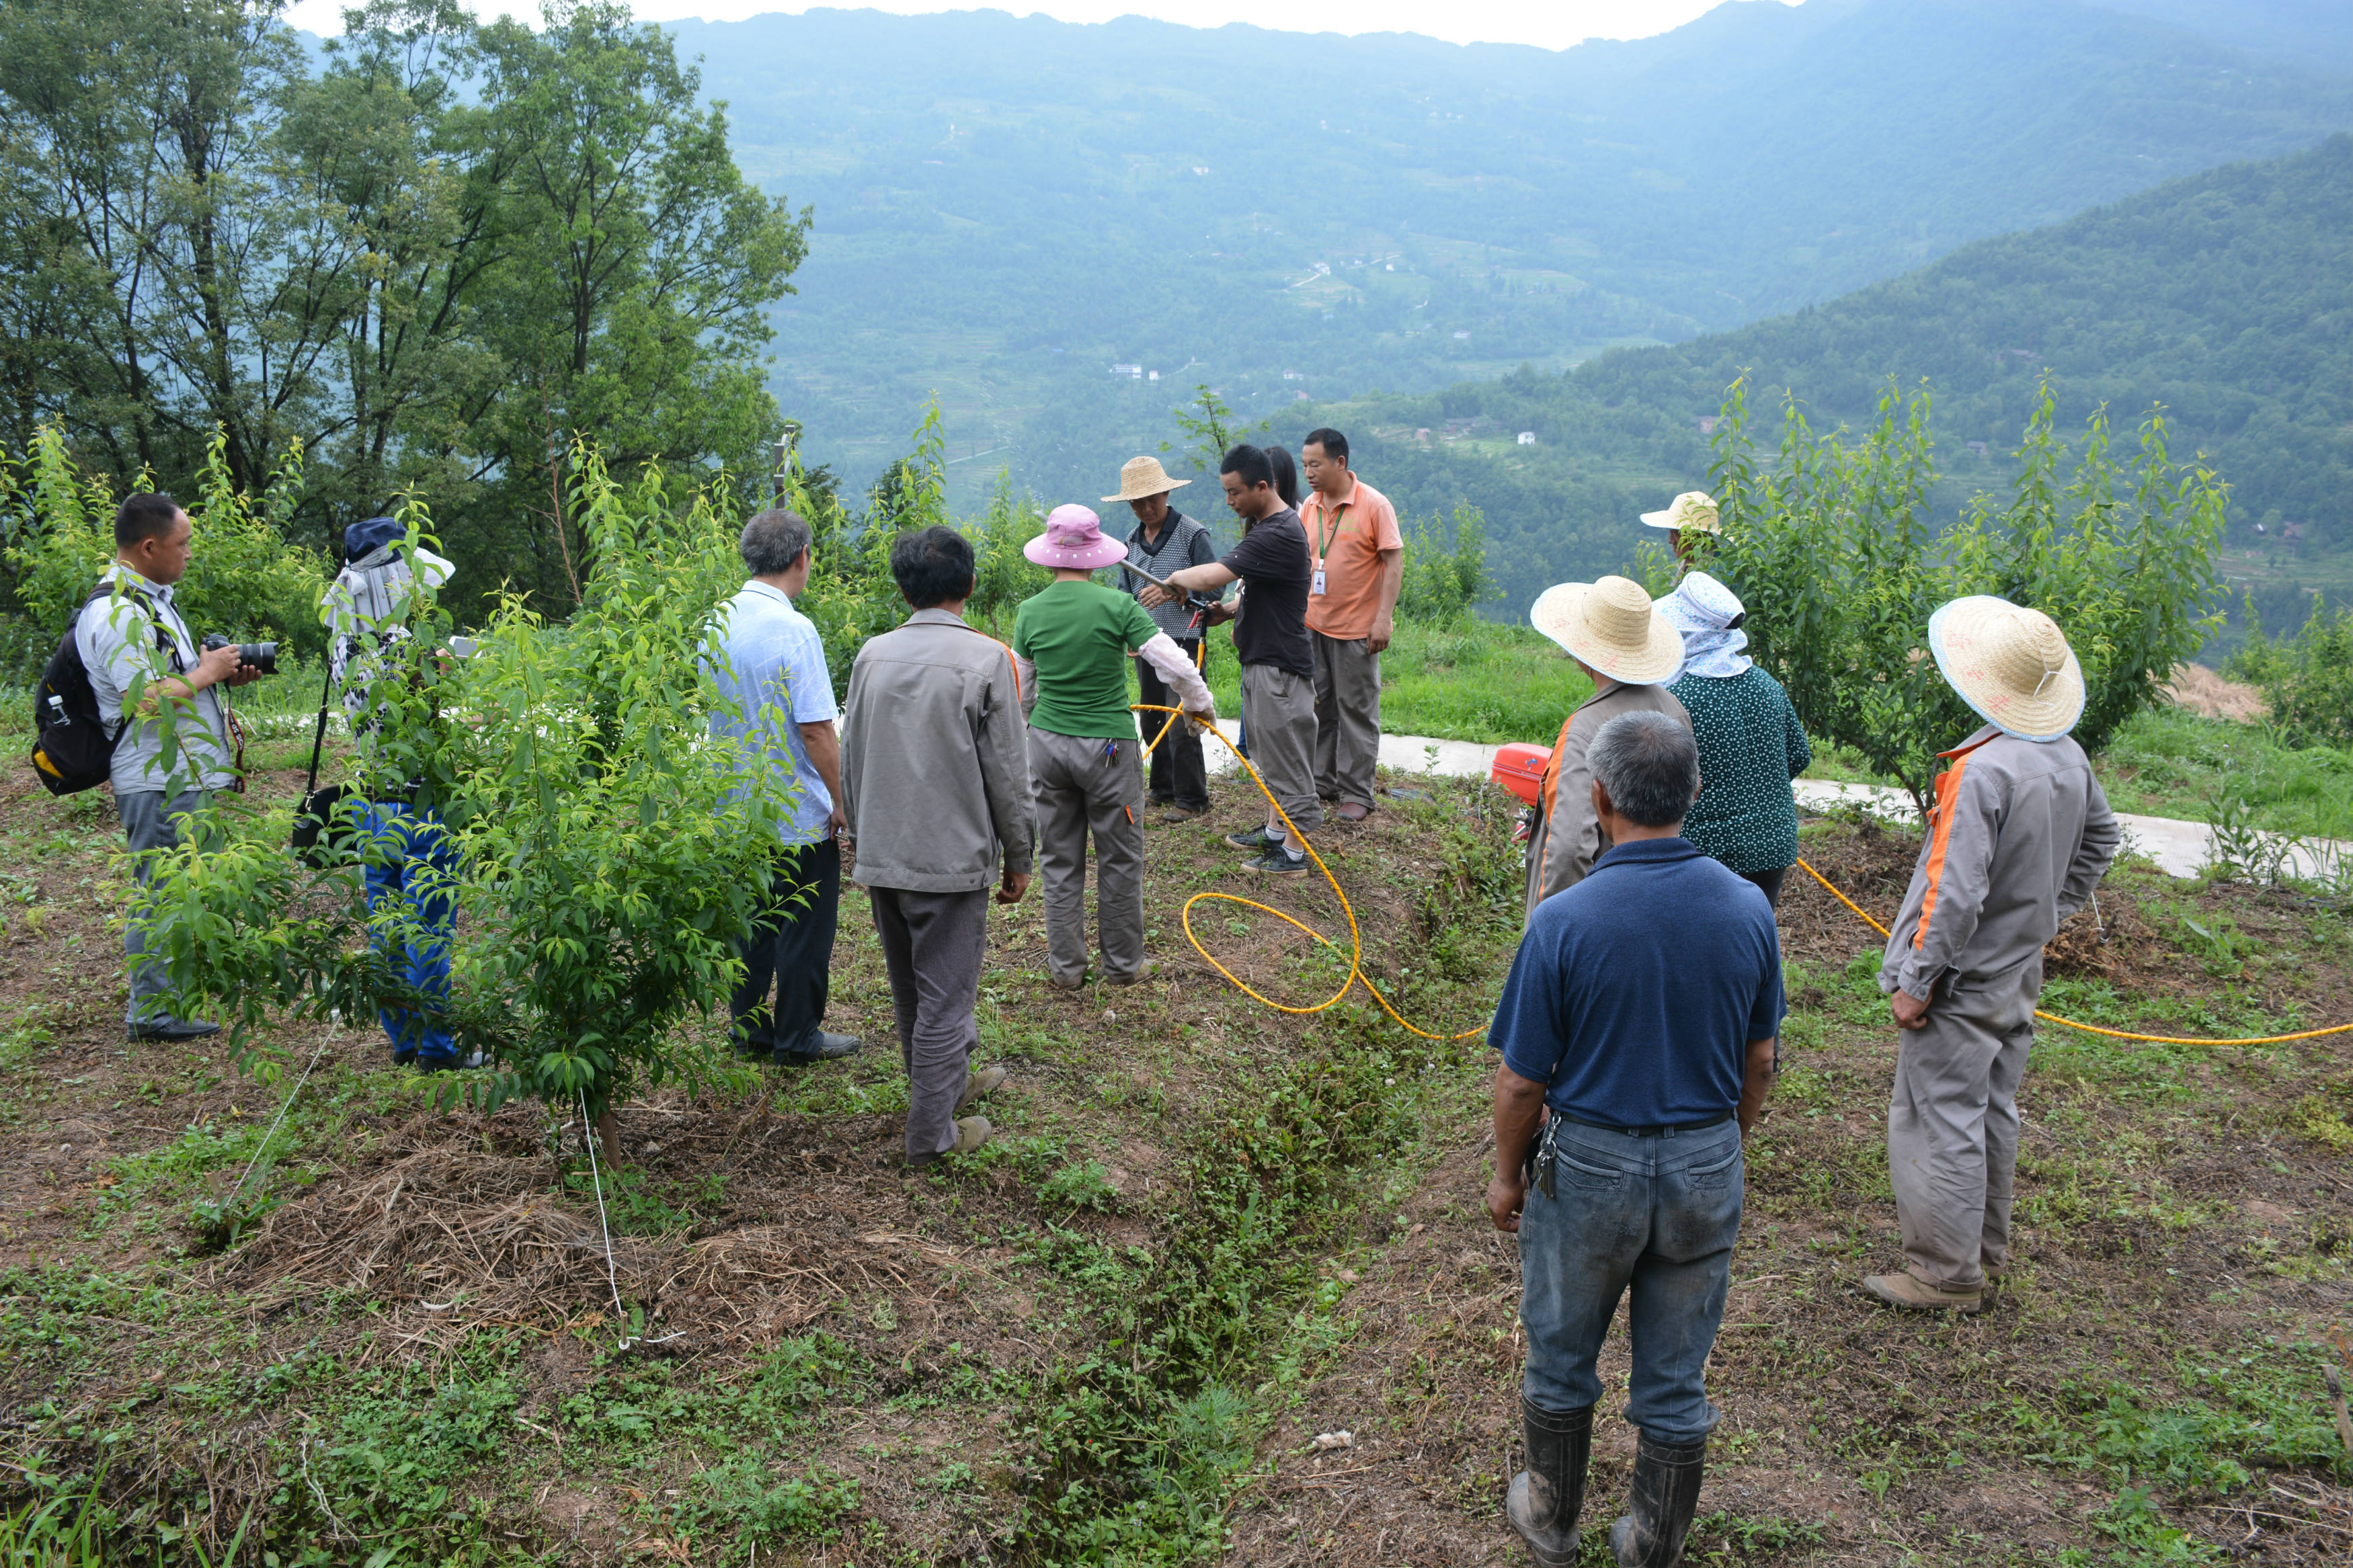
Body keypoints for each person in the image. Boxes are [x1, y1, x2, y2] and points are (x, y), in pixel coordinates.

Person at [1485, 711, 1782, 1568]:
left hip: (1588, 1168)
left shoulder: (1564, 921)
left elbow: (1520, 1080)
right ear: (1692, 793)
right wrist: (1725, 1143)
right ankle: (1651, 1542)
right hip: (1701, 1155)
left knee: (1561, 1353)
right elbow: (1757, 1060)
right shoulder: (1745, 910)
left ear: (1598, 794)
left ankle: (1550, 1517)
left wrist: (1507, 1175)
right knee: (1674, 1376)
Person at [1867, 597, 2120, 1313]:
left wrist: (1918, 978)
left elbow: (1953, 891)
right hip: (2017, 967)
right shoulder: (2066, 756)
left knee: (1937, 1110)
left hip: (1962, 976)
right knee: (1990, 1107)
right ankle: (1982, 1250)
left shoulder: (1982, 771)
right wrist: (2045, 910)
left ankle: (1944, 1273)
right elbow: (2101, 841)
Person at [840, 526, 1036, 1165]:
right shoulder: (987, 660)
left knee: (912, 992)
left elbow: (852, 755)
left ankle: (945, 1086)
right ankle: (932, 1135)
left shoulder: (872, 654)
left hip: (886, 852)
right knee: (946, 1000)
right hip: (949, 862)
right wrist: (1020, 853)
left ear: (902, 588)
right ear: (971, 584)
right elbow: (1009, 772)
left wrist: (860, 840)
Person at [79, 493, 260, 1041]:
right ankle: (152, 1013)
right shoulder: (115, 612)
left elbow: (174, 679)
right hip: (154, 778)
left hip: (181, 773)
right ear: (149, 546)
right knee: (158, 889)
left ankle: (172, 998)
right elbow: (147, 698)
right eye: (182, 545)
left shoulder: (154, 599)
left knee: (180, 885)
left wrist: (218, 672)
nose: (188, 554)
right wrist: (205, 672)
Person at [1013, 505, 1217, 990]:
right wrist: (1199, 703)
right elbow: (1176, 662)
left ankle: (1066, 969)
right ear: (1097, 558)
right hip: (1107, 749)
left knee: (1059, 860)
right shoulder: (1117, 606)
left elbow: (1021, 688)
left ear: (1049, 558)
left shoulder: (1030, 611)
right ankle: (1124, 964)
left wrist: (1032, 728)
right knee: (1120, 857)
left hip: (1047, 746)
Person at [706, 507, 861, 1068]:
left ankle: (749, 1028)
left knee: (752, 924)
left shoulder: (718, 617)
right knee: (803, 926)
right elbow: (817, 729)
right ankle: (799, 1036)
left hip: (736, 802)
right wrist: (844, 803)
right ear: (803, 557)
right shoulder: (795, 629)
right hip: (794, 809)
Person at [323, 515, 473, 1070]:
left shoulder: (343, 639)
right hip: (421, 803)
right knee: (429, 923)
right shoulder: (407, 648)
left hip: (373, 799)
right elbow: (431, 731)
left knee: (385, 921)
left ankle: (404, 1039)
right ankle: (438, 1046)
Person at [1160, 444, 1318, 876]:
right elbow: (1251, 588)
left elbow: (1215, 574)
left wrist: (1175, 579)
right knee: (1271, 755)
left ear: (1262, 487)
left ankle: (1295, 851)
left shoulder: (1278, 531)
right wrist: (1226, 611)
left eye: (1234, 493)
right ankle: (1274, 833)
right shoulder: (1267, 527)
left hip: (1279, 667)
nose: (1229, 501)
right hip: (1262, 660)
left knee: (1287, 759)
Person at [1523, 575, 1691, 922]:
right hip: (1664, 901)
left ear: (1583, 648)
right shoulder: (1674, 710)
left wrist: (1552, 928)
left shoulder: (1585, 729)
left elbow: (1569, 849)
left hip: (1598, 912)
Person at [1657, 571, 1812, 906]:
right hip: (1774, 844)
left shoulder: (1679, 698)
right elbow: (1798, 755)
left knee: (1707, 946)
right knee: (1752, 939)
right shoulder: (1767, 685)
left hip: (1709, 850)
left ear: (1687, 634)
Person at [1298, 427, 1404, 823]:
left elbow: (1393, 564)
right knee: (1317, 706)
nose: (1308, 472)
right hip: (1313, 625)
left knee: (1356, 711)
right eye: (1305, 464)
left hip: (1357, 629)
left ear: (1340, 463)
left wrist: (1383, 619)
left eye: (1316, 464)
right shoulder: (1309, 506)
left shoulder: (1374, 505)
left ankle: (1357, 792)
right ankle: (1322, 781)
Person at [1109, 456, 1220, 822]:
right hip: (1148, 644)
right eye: (1137, 503)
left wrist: (1178, 590)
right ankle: (1163, 787)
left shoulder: (1192, 533)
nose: (1145, 508)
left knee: (1180, 718)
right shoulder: (1131, 542)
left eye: (1151, 499)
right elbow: (1125, 594)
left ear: (1166, 492)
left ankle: (1192, 798)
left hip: (1185, 641)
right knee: (1152, 718)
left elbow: (1216, 589)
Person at [1640, 491, 1719, 571]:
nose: (1671, 541)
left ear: (1699, 536)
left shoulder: (1719, 571)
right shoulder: (1687, 566)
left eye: (1677, 534)